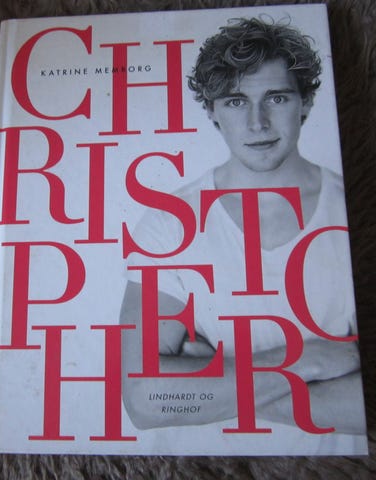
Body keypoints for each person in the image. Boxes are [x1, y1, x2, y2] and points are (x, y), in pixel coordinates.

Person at [119, 17, 366, 452]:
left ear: (306, 102)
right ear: (212, 111)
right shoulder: (171, 223)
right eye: (235, 101)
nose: (257, 123)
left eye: (276, 97)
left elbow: (364, 405)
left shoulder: (355, 209)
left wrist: (220, 381)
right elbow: (144, 399)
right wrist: (308, 360)